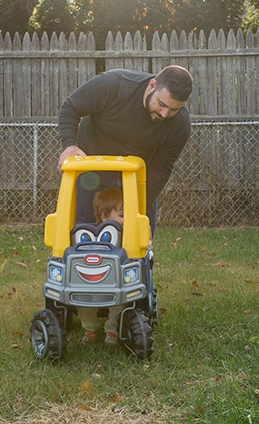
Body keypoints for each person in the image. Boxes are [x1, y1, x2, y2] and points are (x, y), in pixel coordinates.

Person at [58, 65, 193, 233]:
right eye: (161, 104)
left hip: (134, 179)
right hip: (91, 174)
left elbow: (161, 167)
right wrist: (70, 146)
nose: (165, 114)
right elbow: (71, 107)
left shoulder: (180, 124)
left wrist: (140, 209)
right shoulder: (115, 85)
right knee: (83, 237)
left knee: (136, 245)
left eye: (174, 109)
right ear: (151, 86)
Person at [78, 187, 126, 346]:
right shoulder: (90, 236)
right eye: (122, 216)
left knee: (120, 302)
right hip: (92, 280)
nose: (126, 220)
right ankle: (90, 328)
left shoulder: (128, 234)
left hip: (116, 281)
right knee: (81, 300)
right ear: (104, 217)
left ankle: (112, 329)